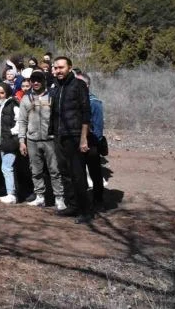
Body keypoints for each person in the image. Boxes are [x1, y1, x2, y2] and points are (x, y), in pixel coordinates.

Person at [50, 56, 93, 224]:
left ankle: (85, 211)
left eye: (61, 67)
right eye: (56, 68)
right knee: (65, 173)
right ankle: (72, 205)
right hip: (59, 135)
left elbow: (86, 113)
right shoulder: (57, 87)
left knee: (78, 174)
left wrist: (83, 139)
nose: (58, 71)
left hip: (74, 136)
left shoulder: (78, 85)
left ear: (69, 67)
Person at [18, 69, 65, 210]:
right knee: (35, 170)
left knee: (55, 170)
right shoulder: (26, 98)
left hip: (50, 139)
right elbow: (22, 121)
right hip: (32, 140)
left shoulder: (52, 96)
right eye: (33, 80)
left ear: (44, 81)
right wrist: (22, 141)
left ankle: (59, 198)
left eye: (39, 80)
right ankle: (40, 197)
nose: (36, 82)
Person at [77, 72, 106, 211]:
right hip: (76, 142)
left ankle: (98, 200)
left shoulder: (94, 102)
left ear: (87, 85)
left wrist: (93, 143)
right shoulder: (74, 101)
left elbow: (98, 128)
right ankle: (82, 202)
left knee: (95, 172)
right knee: (79, 173)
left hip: (91, 143)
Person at [0, 83, 20, 204]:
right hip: (3, 141)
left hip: (11, 140)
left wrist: (11, 132)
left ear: (7, 93)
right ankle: (11, 192)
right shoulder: (1, 106)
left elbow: (20, 120)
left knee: (7, 167)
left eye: (2, 93)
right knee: (6, 167)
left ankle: (11, 194)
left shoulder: (12, 104)